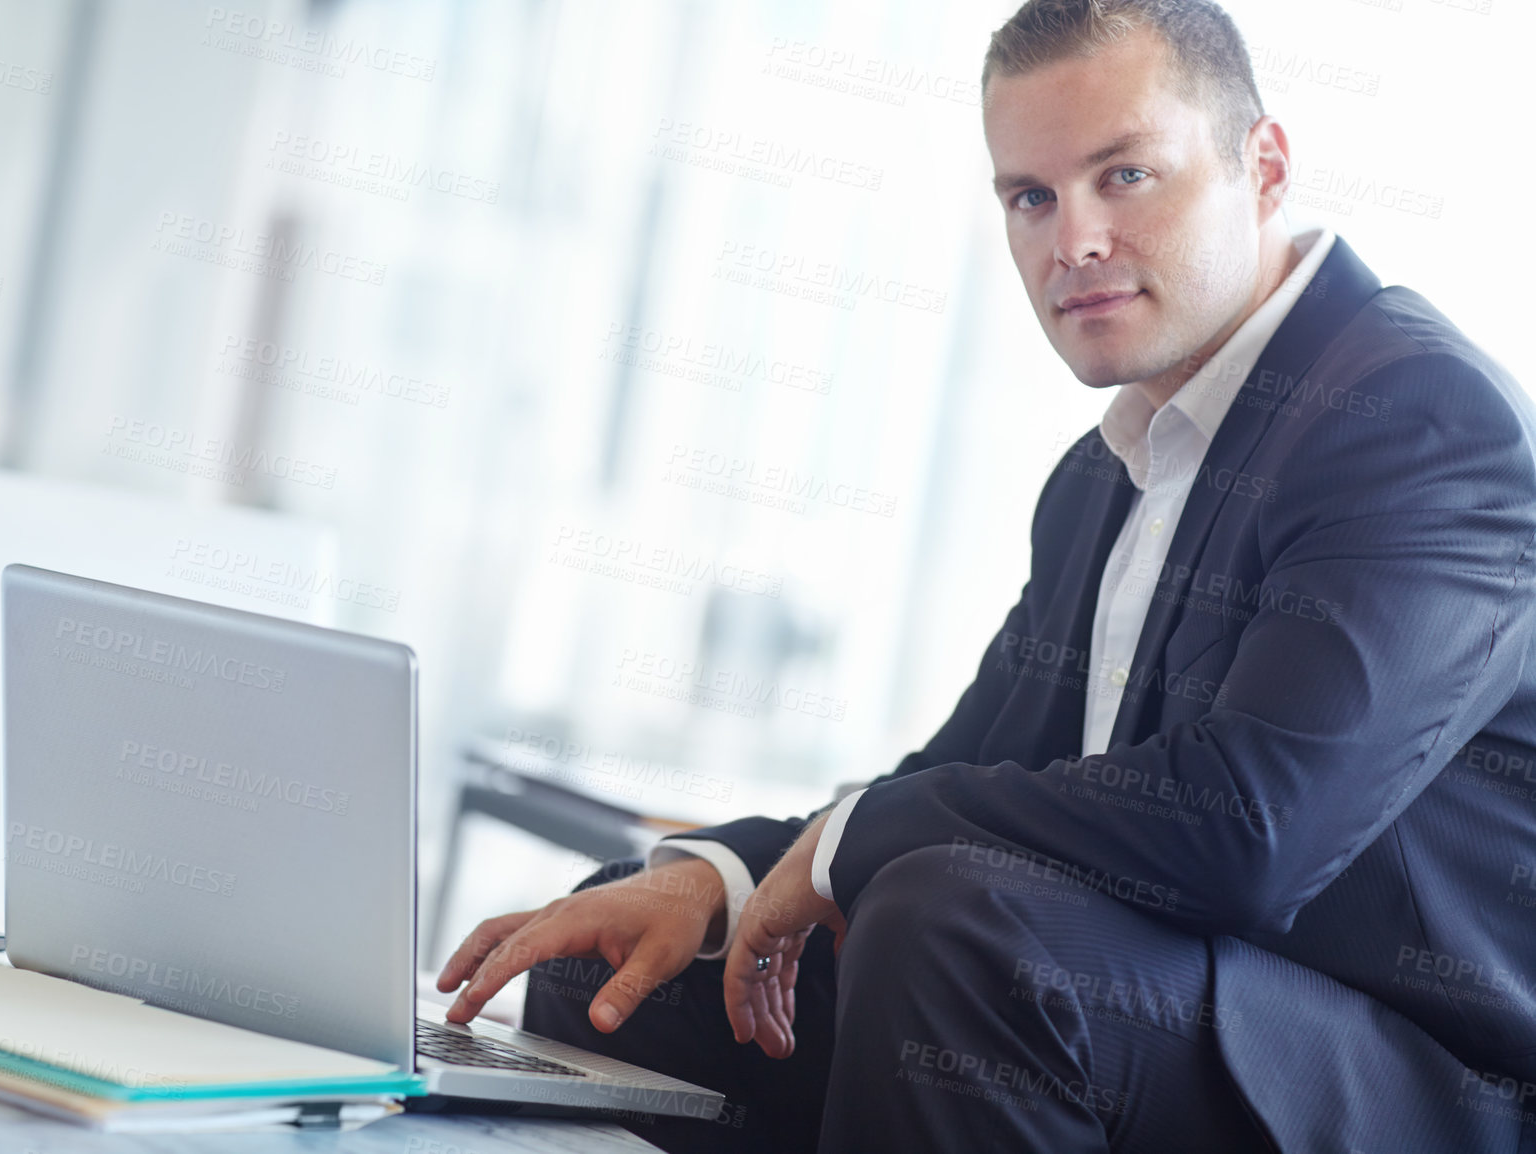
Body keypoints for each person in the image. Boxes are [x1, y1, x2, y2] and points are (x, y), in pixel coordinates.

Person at [440, 2, 1536, 1150]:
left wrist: (849, 843)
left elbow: (1248, 831)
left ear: (1261, 166)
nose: (1074, 241)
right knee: (630, 954)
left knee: (951, 926)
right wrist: (723, 875)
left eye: (1125, 175)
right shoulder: (1107, 471)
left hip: (1409, 1080)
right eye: (1032, 197)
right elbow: (971, 768)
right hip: (1169, 1007)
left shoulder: (1413, 419)